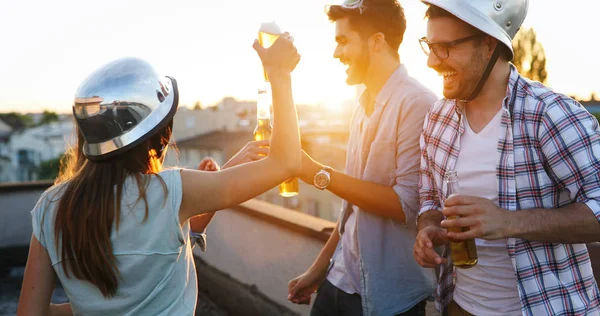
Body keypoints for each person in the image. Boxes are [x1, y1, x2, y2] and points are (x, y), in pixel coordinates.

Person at [17, 33, 302, 315]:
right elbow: (286, 162)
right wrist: (279, 74)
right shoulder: (174, 190)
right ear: (160, 136)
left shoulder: (50, 208)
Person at [413, 1, 600, 315]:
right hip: (460, 306)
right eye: (429, 47)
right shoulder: (438, 116)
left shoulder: (550, 114)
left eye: (445, 47)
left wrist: (507, 222)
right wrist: (428, 228)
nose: (432, 61)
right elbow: (429, 197)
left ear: (489, 44)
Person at [287, 0, 437, 314]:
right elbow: (352, 209)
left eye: (343, 41)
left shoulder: (417, 103)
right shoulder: (362, 103)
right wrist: (318, 269)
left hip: (386, 297)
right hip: (338, 280)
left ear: (377, 41)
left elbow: (404, 205)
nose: (336, 53)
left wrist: (317, 172)